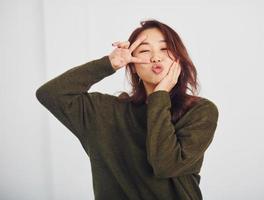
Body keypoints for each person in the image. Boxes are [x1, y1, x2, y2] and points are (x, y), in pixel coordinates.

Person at [35, 19, 219, 200]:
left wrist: (159, 95)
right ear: (133, 66)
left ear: (179, 58)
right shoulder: (105, 112)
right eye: (145, 51)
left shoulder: (200, 111)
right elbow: (51, 94)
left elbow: (165, 165)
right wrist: (109, 63)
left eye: (164, 49)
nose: (156, 57)